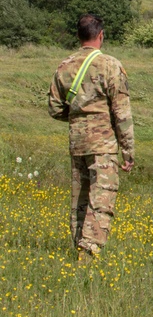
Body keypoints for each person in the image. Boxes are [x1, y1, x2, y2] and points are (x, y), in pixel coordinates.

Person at [48, 14, 134, 263]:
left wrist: (78, 118)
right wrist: (128, 151)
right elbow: (122, 113)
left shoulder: (64, 66)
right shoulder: (110, 65)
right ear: (101, 35)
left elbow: (54, 108)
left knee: (80, 198)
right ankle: (89, 253)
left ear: (79, 36)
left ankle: (78, 246)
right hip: (103, 145)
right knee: (102, 197)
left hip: (77, 142)